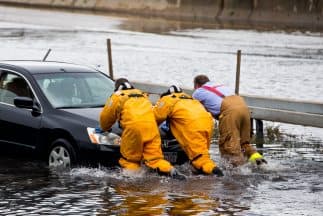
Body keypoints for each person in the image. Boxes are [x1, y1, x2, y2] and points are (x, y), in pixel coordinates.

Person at [100, 78, 186, 180]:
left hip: (134, 130)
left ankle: (133, 183)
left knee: (131, 159)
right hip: (152, 128)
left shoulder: (117, 96)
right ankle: (170, 170)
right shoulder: (142, 95)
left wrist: (105, 128)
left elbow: (106, 118)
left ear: (116, 88)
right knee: (155, 158)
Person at [192, 75, 267, 166]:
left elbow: (195, 112)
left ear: (196, 85)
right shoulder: (220, 85)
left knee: (229, 147)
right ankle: (258, 160)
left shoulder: (198, 92)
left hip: (230, 113)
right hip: (244, 109)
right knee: (244, 144)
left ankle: (239, 173)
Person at [153, 85, 224, 176]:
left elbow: (154, 119)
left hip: (191, 128)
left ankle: (216, 173)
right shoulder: (192, 100)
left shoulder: (168, 99)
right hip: (208, 124)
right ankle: (208, 171)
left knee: (200, 160)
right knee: (202, 155)